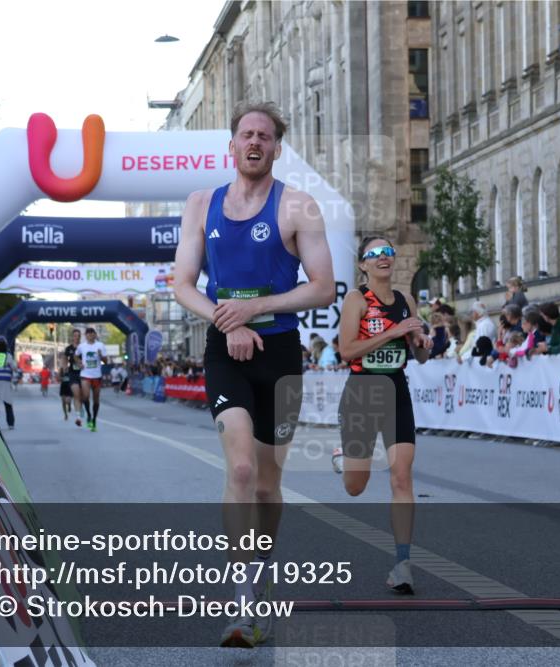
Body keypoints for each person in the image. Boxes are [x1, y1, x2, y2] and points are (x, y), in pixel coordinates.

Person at [171, 101, 335, 648]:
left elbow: (322, 287)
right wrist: (227, 316)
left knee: (267, 483)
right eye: (247, 134)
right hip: (225, 351)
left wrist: (256, 306)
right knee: (240, 470)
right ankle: (243, 604)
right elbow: (183, 284)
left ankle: (258, 576)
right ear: (232, 145)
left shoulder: (299, 207)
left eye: (265, 135)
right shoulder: (201, 205)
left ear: (276, 147)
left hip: (280, 355)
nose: (255, 142)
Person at [334, 236, 431, 594]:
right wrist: (393, 331)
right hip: (361, 393)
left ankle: (402, 563)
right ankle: (345, 456)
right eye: (374, 254)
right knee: (355, 487)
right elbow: (346, 350)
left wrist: (421, 343)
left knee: (401, 478)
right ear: (363, 265)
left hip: (395, 391)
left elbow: (418, 355)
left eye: (388, 252)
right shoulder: (356, 300)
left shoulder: (406, 300)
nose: (383, 258)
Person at [75, 327, 108, 431]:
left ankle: (94, 420)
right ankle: (88, 414)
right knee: (85, 397)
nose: (90, 335)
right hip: (85, 375)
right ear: (86, 336)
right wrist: (79, 363)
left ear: (95, 335)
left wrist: (100, 356)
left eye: (92, 333)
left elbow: (106, 361)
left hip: (97, 376)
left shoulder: (100, 345)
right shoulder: (82, 346)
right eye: (88, 334)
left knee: (96, 400)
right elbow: (75, 356)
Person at [63, 329, 84, 427]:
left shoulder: (83, 347)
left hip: (84, 373)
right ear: (72, 337)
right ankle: (78, 417)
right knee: (76, 395)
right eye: (75, 335)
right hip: (73, 374)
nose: (76, 337)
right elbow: (64, 359)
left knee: (83, 396)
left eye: (78, 336)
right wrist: (64, 367)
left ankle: (81, 407)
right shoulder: (69, 348)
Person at [58, 355, 72, 420]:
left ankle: (69, 405)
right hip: (63, 386)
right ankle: (65, 415)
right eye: (63, 361)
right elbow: (58, 378)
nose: (64, 362)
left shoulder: (70, 369)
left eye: (65, 361)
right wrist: (61, 377)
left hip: (69, 386)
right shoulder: (61, 369)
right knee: (63, 402)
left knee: (67, 401)